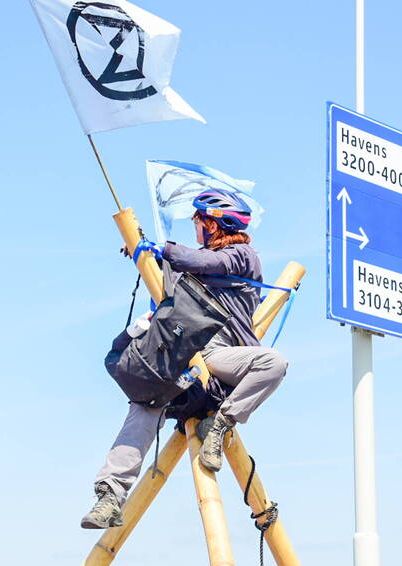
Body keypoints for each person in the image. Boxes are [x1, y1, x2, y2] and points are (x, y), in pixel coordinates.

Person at [81, 189, 289, 529]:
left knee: (274, 362)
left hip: (220, 356)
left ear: (216, 224)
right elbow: (175, 269)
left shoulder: (243, 255)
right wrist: (144, 253)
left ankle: (221, 423)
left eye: (199, 220)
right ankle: (110, 494)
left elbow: (206, 262)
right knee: (144, 406)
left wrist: (164, 250)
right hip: (183, 362)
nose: (195, 226)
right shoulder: (187, 264)